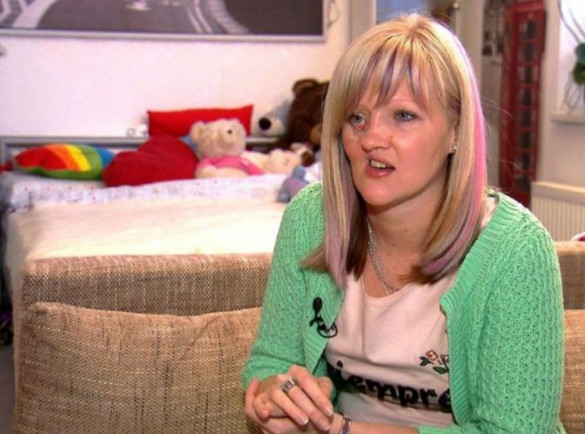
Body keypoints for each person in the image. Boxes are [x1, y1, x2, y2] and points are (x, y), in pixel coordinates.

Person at [242, 13, 565, 434]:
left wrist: (342, 430)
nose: (371, 139)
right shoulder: (309, 218)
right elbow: (272, 359)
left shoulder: (516, 249)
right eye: (357, 118)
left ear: (456, 131)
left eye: (403, 116)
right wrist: (278, 396)